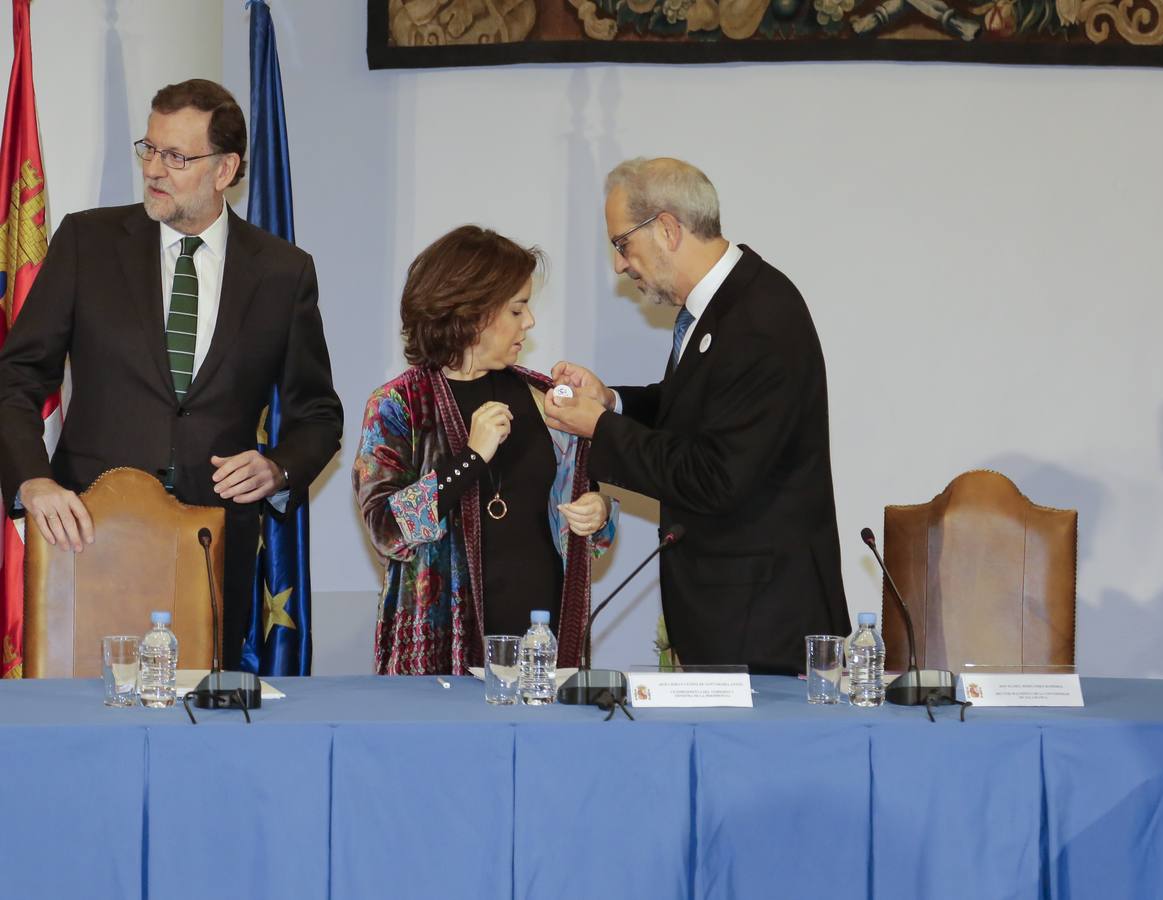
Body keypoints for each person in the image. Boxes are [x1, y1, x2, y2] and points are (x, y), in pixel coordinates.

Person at [0, 79, 343, 667]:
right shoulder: (89, 241)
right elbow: (17, 378)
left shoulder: (283, 273)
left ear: (225, 168)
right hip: (87, 535)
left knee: (198, 738)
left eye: (177, 156)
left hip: (211, 548)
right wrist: (32, 481)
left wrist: (278, 466)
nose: (154, 169)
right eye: (150, 149)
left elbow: (318, 413)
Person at [545, 156, 849, 675]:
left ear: (665, 228)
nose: (620, 264)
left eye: (622, 244)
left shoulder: (759, 319)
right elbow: (694, 409)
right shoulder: (724, 305)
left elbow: (714, 475)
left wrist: (599, 428)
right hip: (735, 617)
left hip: (763, 626)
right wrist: (612, 401)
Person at [353, 225, 615, 675]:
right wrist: (469, 461)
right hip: (441, 665)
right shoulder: (399, 405)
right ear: (472, 313)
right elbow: (386, 530)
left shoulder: (545, 397)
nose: (529, 322)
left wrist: (601, 512)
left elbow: (591, 531)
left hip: (543, 653)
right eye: (517, 309)